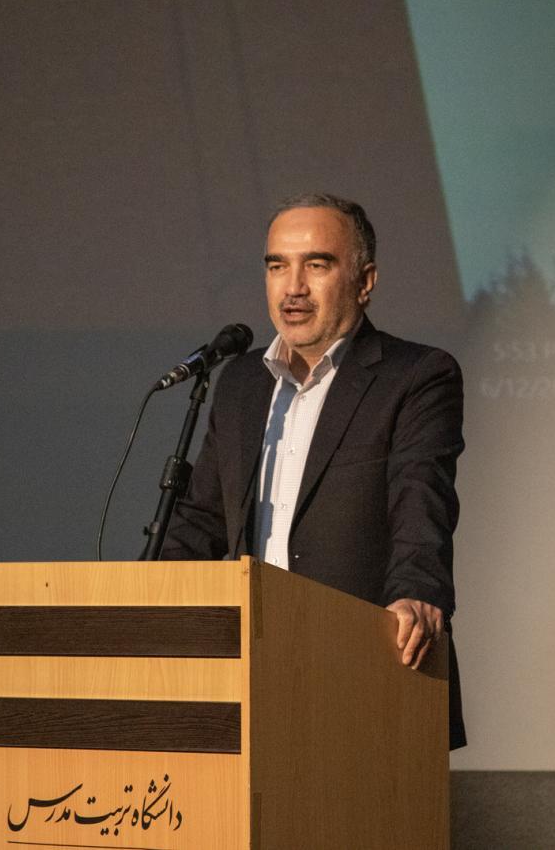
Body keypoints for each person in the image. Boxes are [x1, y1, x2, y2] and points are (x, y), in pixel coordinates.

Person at [161, 193, 466, 748]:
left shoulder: (416, 375)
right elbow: (202, 519)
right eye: (277, 266)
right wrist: (141, 603)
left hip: (365, 672)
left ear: (364, 281)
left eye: (317, 265)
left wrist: (418, 592)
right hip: (249, 675)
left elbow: (421, 497)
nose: (293, 287)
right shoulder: (241, 383)